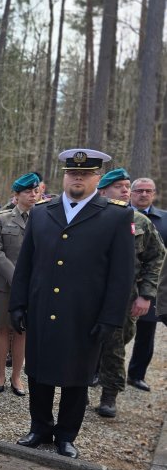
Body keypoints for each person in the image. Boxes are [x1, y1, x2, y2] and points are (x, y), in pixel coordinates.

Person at [10, 148, 134, 458]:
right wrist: (18, 304)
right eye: (72, 173)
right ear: (64, 176)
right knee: (37, 371)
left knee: (76, 376)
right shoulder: (42, 212)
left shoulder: (116, 215)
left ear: (96, 178)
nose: (77, 178)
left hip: (84, 313)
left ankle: (66, 434)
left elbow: (121, 274)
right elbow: (26, 264)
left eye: (85, 174)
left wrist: (110, 318)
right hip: (41, 308)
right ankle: (39, 427)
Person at [95, 169, 164, 417]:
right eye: (118, 186)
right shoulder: (89, 218)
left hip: (123, 296)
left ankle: (109, 395)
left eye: (127, 186)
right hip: (89, 293)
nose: (125, 190)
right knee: (81, 343)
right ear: (102, 191)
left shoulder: (140, 221)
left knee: (114, 346)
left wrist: (146, 294)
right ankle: (78, 388)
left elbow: (157, 256)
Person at [0, 173, 39, 396]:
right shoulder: (2, 218)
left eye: (36, 191)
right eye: (28, 191)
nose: (33, 195)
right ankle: (0, 374)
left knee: (22, 331)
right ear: (16, 196)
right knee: (3, 328)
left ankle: (17, 376)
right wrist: (16, 277)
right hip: (5, 283)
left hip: (32, 283)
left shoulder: (43, 218)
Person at [127, 177, 167, 391]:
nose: (143, 194)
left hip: (151, 288)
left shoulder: (164, 220)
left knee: (146, 333)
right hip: (123, 286)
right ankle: (98, 372)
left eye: (148, 191)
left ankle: (136, 374)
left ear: (154, 194)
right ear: (131, 193)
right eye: (139, 190)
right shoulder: (119, 215)